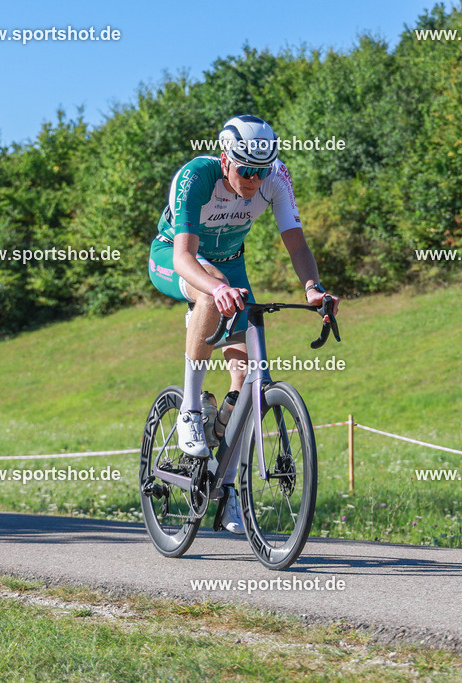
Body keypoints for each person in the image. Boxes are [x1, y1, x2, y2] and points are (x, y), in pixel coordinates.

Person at [147, 114, 339, 533]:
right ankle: (190, 411)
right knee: (212, 292)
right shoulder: (196, 177)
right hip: (174, 258)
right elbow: (183, 258)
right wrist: (213, 290)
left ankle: (227, 485)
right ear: (225, 160)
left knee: (247, 372)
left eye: (261, 172)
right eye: (245, 171)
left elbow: (297, 243)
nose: (254, 180)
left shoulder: (276, 176)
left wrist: (313, 288)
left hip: (232, 265)